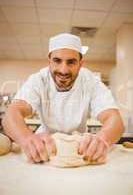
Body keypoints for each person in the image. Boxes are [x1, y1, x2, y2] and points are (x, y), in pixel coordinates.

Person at [2, 33, 124, 164]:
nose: (63, 70)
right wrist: (26, 138)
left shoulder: (91, 82)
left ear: (80, 64)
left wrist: (102, 139)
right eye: (57, 61)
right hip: (43, 148)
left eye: (71, 62)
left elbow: (114, 119)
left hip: (81, 148)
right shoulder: (38, 80)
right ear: (49, 61)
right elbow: (12, 113)